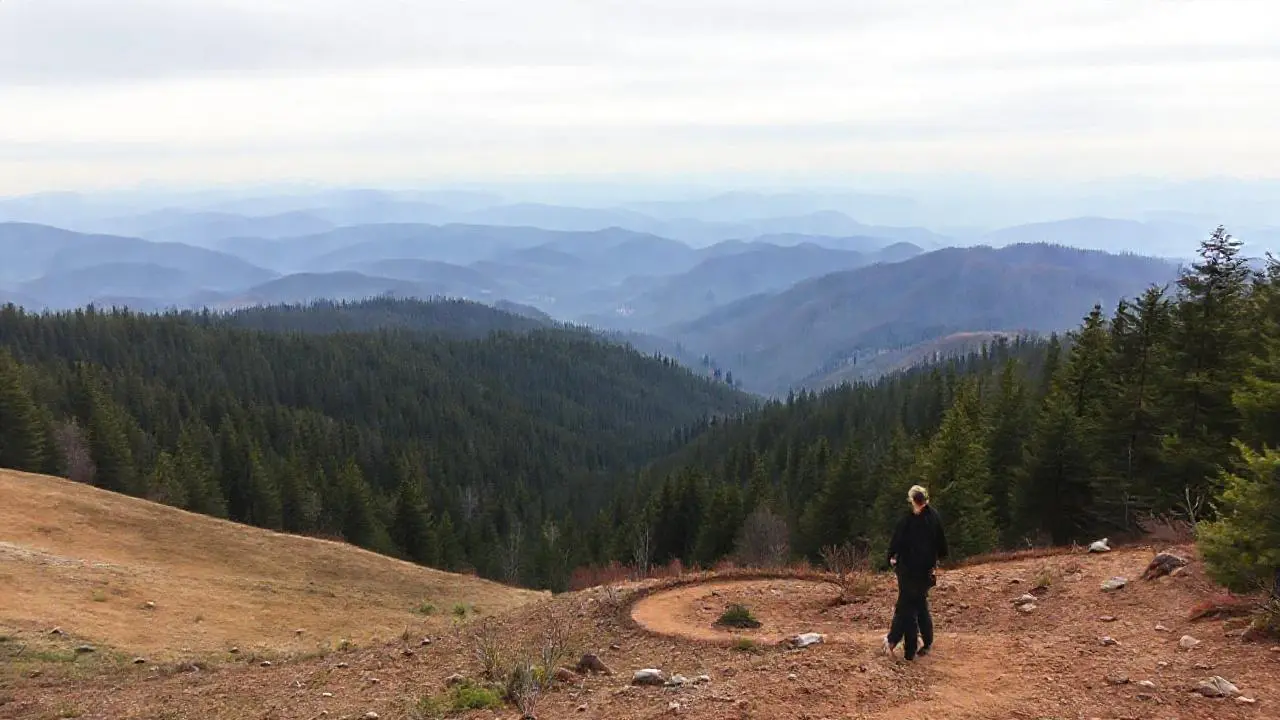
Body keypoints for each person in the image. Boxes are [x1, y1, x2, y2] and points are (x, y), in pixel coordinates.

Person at [882, 484, 948, 661]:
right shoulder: (934, 517)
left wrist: (892, 558)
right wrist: (935, 563)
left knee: (906, 608)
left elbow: (897, 541)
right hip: (926, 570)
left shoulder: (909, 520)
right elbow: (942, 546)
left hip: (909, 570)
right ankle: (924, 642)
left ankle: (903, 646)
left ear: (912, 501)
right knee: (919, 605)